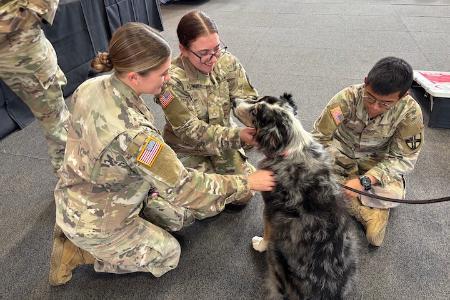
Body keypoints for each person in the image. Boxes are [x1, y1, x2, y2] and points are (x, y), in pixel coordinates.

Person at [52, 22, 275, 284]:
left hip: (80, 192)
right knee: (168, 254)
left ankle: (102, 226)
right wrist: (247, 181)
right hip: (97, 220)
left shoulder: (93, 87)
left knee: (195, 208)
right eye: (162, 73)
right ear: (135, 77)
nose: (167, 79)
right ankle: (79, 251)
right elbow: (183, 186)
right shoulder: (136, 137)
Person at [311, 57, 424, 247]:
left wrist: (365, 180)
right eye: (370, 97)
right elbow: (319, 138)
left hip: (377, 161)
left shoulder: (410, 112)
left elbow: (404, 159)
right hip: (340, 153)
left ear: (403, 96)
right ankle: (368, 211)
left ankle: (349, 198)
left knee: (393, 194)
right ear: (365, 82)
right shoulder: (346, 99)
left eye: (385, 103)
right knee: (308, 176)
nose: (374, 107)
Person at [156, 11, 259, 205]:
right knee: (201, 204)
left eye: (216, 49)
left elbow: (247, 99)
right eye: (203, 53)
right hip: (189, 148)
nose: (212, 58)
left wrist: (261, 122)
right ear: (183, 49)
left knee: (243, 195)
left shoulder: (226, 62)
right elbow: (189, 131)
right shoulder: (171, 81)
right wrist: (238, 136)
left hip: (224, 140)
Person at [0, 0, 69, 173]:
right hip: (21, 49)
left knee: (56, 116)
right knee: (56, 123)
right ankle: (72, 180)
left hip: (22, 45)